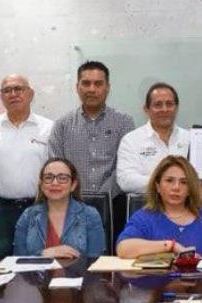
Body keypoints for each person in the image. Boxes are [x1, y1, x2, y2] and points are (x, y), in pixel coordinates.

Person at [48, 61, 136, 233]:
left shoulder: (124, 122)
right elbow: (55, 167)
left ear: (107, 87)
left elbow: (126, 166)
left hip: (115, 205)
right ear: (77, 87)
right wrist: (77, 195)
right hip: (71, 206)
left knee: (112, 249)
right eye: (86, 83)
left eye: (98, 84)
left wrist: (101, 198)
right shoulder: (62, 125)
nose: (91, 89)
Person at [0, 74, 54, 240]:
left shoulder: (49, 127)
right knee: (0, 253)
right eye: (7, 90)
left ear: (31, 94)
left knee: (37, 254)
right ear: (1, 97)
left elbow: (57, 170)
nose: (13, 94)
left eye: (18, 89)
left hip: (39, 208)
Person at [116, 155, 202, 259]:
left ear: (190, 189)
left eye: (184, 182)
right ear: (157, 186)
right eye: (169, 180)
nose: (176, 187)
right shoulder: (144, 218)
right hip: (156, 276)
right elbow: (123, 249)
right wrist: (171, 246)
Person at [13, 158, 105, 259]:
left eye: (62, 178)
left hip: (79, 270)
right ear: (41, 185)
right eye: (48, 178)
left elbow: (96, 260)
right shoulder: (28, 216)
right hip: (35, 270)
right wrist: (42, 254)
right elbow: (17, 260)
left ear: (73, 185)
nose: (55, 183)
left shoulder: (90, 215)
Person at [116, 82, 190, 194]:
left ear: (176, 108)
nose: (164, 109)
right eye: (158, 105)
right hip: (147, 203)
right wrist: (165, 183)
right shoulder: (131, 140)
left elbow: (199, 177)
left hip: (186, 204)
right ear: (146, 109)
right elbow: (126, 180)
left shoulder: (189, 138)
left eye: (169, 104)